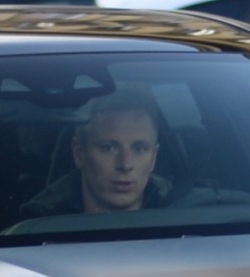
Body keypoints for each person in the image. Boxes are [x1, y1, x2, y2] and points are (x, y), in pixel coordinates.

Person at [16, 89, 177, 218]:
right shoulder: (35, 227)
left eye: (139, 148)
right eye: (109, 148)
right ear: (79, 153)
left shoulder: (183, 213)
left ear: (154, 157)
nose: (125, 164)